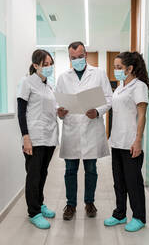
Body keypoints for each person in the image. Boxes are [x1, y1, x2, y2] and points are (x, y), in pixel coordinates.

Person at [56, 41, 113, 220]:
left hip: (91, 127)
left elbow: (109, 99)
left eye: (80, 57)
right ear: (69, 58)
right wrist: (60, 111)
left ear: (86, 54)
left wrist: (97, 111)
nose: (77, 60)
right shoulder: (63, 77)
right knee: (70, 170)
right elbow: (57, 101)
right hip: (72, 128)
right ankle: (71, 205)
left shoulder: (99, 73)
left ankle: (89, 202)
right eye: (73, 58)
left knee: (91, 169)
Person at [104, 51, 149, 232]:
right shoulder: (120, 87)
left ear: (130, 68)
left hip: (131, 143)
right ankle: (120, 214)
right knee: (119, 182)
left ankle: (139, 217)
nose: (115, 71)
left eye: (119, 68)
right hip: (117, 142)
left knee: (133, 182)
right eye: (115, 67)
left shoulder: (138, 86)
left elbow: (142, 115)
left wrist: (138, 140)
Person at [17, 49, 58, 229]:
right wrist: (26, 137)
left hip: (49, 137)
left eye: (51, 64)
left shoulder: (49, 86)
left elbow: (50, 111)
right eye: (45, 64)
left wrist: (60, 111)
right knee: (33, 175)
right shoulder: (27, 82)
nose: (49, 67)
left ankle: (40, 204)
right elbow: (21, 111)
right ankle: (33, 212)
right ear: (36, 66)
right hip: (34, 137)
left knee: (43, 173)